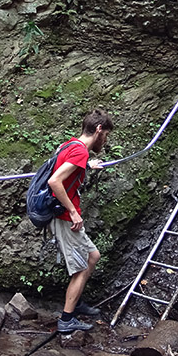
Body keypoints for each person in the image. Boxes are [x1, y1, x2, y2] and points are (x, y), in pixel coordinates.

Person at [47, 109, 113, 333]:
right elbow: (55, 181)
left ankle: (75, 303)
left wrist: (88, 166)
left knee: (92, 256)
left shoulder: (72, 145)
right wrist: (73, 212)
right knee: (80, 268)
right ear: (98, 130)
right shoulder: (79, 152)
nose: (104, 141)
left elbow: (65, 167)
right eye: (105, 136)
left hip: (64, 216)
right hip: (66, 218)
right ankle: (66, 320)